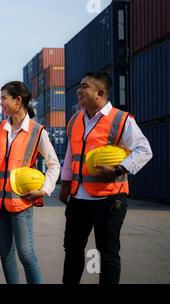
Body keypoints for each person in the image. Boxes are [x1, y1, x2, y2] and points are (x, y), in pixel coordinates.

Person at [59, 71, 153, 284]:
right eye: (79, 86)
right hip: (79, 198)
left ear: (100, 93)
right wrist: (66, 186)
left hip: (110, 199)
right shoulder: (75, 120)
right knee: (72, 250)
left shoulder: (121, 119)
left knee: (107, 253)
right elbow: (69, 155)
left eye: (84, 87)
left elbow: (144, 150)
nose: (79, 91)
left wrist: (118, 170)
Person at [0, 81, 60, 284]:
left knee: (26, 254)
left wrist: (44, 189)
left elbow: (54, 164)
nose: (1, 103)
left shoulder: (37, 131)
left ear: (18, 100)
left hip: (20, 201)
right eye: (0, 99)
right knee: (5, 254)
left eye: (4, 98)